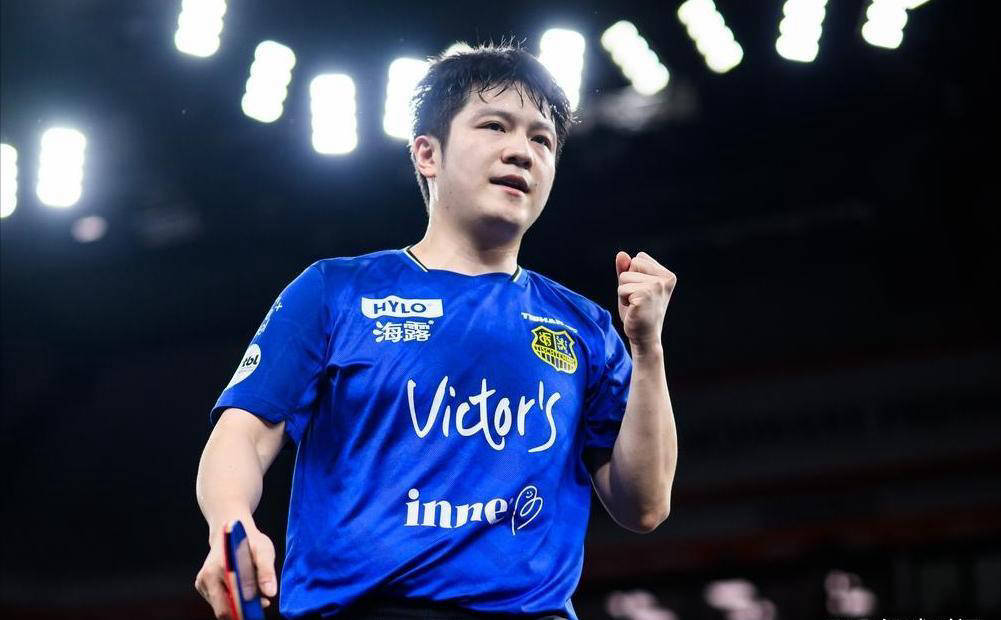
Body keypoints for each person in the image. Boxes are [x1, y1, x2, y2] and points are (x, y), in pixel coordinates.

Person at [194, 41, 678, 620]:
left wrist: (647, 349)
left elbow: (644, 505)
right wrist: (231, 522)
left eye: (542, 140)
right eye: (494, 126)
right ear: (427, 153)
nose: (521, 151)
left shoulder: (586, 327)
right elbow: (243, 435)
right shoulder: (334, 291)